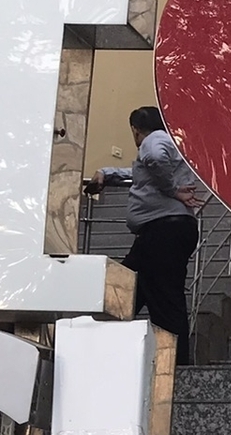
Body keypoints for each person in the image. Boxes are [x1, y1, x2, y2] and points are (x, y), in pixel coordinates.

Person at [86, 106, 208, 363]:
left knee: (162, 299)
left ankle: (176, 367)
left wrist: (172, 190)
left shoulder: (155, 139)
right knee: (127, 289)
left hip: (163, 231)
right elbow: (143, 173)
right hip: (163, 232)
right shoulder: (170, 143)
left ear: (135, 129)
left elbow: (154, 157)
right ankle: (110, 354)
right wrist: (108, 173)